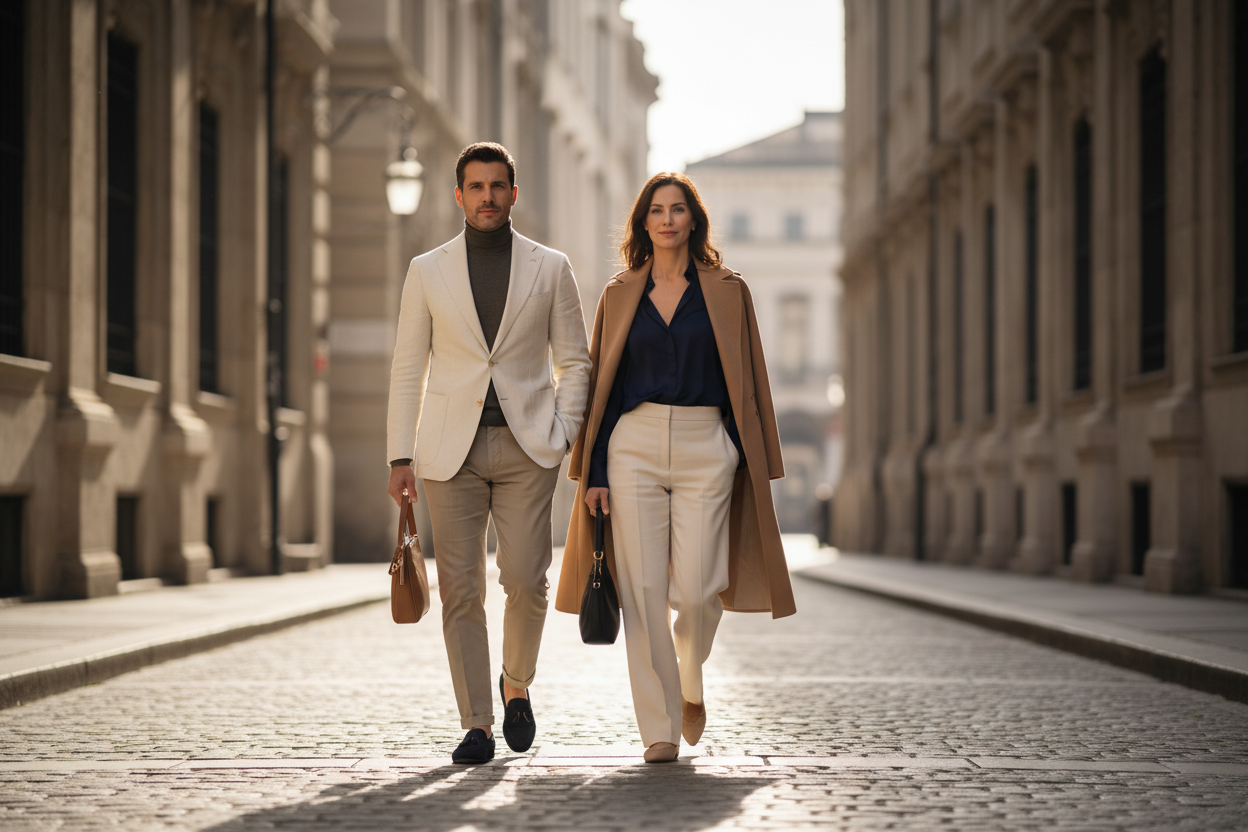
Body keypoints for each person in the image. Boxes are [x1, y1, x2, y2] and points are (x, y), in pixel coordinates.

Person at [555, 172, 795, 763]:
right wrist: (598, 470)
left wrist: (746, 453)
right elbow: (604, 390)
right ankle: (658, 728)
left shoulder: (727, 290)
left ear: (693, 220)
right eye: (656, 210)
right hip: (631, 444)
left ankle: (691, 679)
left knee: (694, 591)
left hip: (704, 443)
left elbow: (749, 381)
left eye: (677, 209)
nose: (666, 219)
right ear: (642, 222)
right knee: (640, 593)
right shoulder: (618, 295)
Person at [387, 142, 591, 764]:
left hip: (529, 445)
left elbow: (575, 361)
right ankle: (476, 723)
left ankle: (516, 684)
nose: (487, 197)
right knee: (462, 589)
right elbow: (407, 366)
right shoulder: (427, 270)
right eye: (475, 187)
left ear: (513, 193)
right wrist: (400, 456)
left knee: (528, 581)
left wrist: (561, 432)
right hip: (450, 450)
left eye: (497, 186)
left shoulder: (550, 267)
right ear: (459, 196)